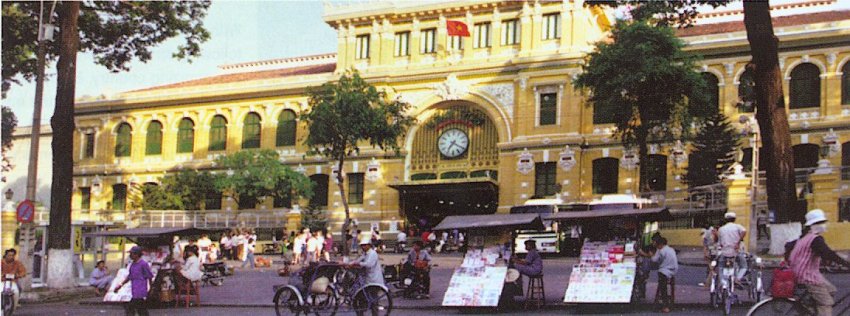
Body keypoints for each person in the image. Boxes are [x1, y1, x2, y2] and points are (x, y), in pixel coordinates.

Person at [785, 209, 850, 316]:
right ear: (813, 225)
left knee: (831, 290)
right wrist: (847, 264)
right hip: (807, 276)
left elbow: (824, 254)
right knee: (826, 302)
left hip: (804, 272)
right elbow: (828, 254)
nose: (823, 225)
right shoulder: (815, 239)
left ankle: (810, 309)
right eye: (820, 223)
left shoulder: (806, 237)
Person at [644, 237, 678, 313]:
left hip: (665, 271)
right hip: (673, 270)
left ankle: (665, 306)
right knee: (663, 283)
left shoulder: (661, 251)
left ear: (660, 244)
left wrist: (650, 254)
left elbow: (654, 260)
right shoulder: (670, 249)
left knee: (663, 287)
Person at [116, 246, 153, 316]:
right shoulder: (132, 264)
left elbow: (149, 276)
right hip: (134, 289)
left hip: (140, 289)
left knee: (132, 307)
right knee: (141, 309)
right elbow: (130, 276)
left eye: (132, 254)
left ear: (137, 254)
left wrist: (150, 288)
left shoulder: (143, 264)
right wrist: (120, 285)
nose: (130, 256)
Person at [715, 212, 747, 282]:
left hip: (725, 252)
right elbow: (744, 231)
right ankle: (737, 278)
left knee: (720, 267)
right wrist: (738, 242)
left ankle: (723, 283)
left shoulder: (721, 229)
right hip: (735, 252)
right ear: (734, 219)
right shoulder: (737, 226)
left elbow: (719, 242)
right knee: (743, 266)